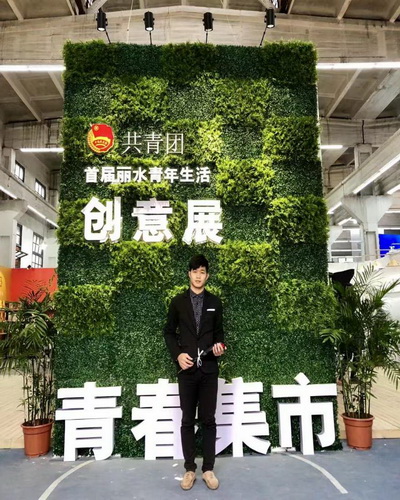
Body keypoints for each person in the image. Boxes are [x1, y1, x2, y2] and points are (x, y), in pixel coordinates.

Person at [164, 254, 225, 491]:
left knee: (208, 420)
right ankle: (189, 469)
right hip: (186, 370)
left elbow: (219, 335)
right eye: (195, 271)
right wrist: (177, 355)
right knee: (187, 419)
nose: (198, 276)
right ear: (189, 274)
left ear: (207, 276)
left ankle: (208, 469)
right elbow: (169, 332)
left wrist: (219, 348)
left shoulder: (215, 302)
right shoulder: (177, 302)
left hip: (209, 370)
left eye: (202, 272)